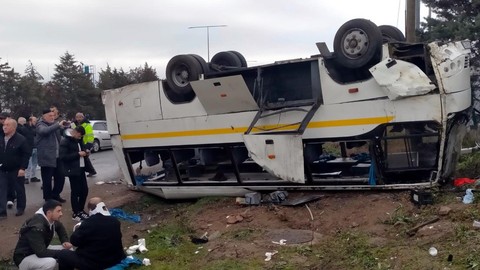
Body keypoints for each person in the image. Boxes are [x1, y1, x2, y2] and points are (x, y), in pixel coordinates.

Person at [56, 197, 126, 270]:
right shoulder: (115, 221)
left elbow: (74, 241)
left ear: (90, 210)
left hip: (96, 263)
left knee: (63, 254)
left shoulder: (88, 223)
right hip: (116, 258)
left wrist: (78, 229)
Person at [13, 200, 72, 270]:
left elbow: (60, 227)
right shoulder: (37, 227)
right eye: (58, 211)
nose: (61, 214)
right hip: (24, 258)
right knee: (50, 262)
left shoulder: (49, 218)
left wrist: (64, 241)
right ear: (49, 213)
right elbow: (41, 252)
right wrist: (62, 253)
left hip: (37, 251)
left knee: (69, 250)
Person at [36, 109, 69, 202]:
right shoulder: (40, 124)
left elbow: (62, 134)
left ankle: (55, 194)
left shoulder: (54, 125)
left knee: (61, 177)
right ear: (44, 116)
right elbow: (44, 131)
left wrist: (65, 127)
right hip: (46, 157)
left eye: (53, 115)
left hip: (57, 156)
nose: (52, 117)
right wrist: (57, 125)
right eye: (50, 116)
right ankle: (48, 198)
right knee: (47, 180)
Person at [0, 118, 30, 217]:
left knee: (19, 189)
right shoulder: (1, 138)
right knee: (2, 189)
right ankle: (2, 211)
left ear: (13, 127)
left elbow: (26, 154)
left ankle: (21, 208)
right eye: (4, 124)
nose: (4, 126)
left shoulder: (21, 139)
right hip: (3, 169)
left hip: (16, 169)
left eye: (7, 125)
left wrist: (23, 168)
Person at [59, 126, 89, 221]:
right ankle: (75, 212)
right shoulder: (65, 141)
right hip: (72, 169)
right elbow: (63, 157)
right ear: (75, 132)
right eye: (79, 136)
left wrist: (86, 152)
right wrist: (78, 154)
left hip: (81, 168)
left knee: (84, 190)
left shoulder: (79, 140)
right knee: (75, 191)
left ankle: (81, 210)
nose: (80, 138)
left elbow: (82, 148)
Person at [73, 112, 97, 177]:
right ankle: (91, 171)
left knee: (84, 158)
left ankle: (91, 171)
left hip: (84, 144)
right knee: (84, 158)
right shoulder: (74, 124)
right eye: (77, 117)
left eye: (80, 117)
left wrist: (88, 146)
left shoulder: (87, 125)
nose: (78, 119)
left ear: (83, 117)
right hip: (77, 143)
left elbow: (90, 136)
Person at [25, 116, 40, 183]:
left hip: (36, 147)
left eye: (36, 121)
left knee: (34, 163)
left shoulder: (37, 128)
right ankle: (26, 177)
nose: (35, 122)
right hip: (29, 148)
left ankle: (33, 176)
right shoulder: (26, 128)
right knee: (29, 164)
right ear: (30, 121)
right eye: (34, 121)